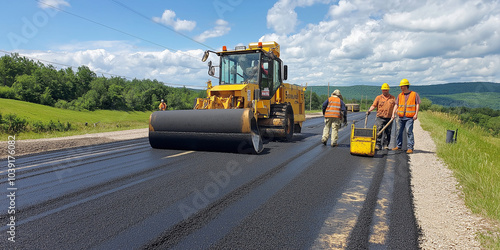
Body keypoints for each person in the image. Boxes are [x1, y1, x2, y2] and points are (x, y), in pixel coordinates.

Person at [391, 79, 421, 154]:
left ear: (406, 86)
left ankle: (410, 148)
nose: (401, 87)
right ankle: (399, 146)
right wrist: (393, 113)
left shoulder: (414, 94)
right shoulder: (400, 95)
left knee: (408, 131)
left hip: (409, 117)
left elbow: (417, 104)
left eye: (402, 86)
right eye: (400, 86)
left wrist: (416, 114)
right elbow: (396, 105)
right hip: (400, 116)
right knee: (399, 131)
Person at [366, 83, 396, 150]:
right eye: (383, 90)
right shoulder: (378, 98)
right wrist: (369, 110)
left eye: (386, 90)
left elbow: (395, 107)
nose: (384, 91)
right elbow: (374, 105)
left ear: (388, 90)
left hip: (389, 118)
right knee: (379, 130)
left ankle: (386, 144)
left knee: (388, 131)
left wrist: (395, 114)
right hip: (380, 117)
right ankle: (378, 144)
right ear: (382, 90)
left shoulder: (393, 98)